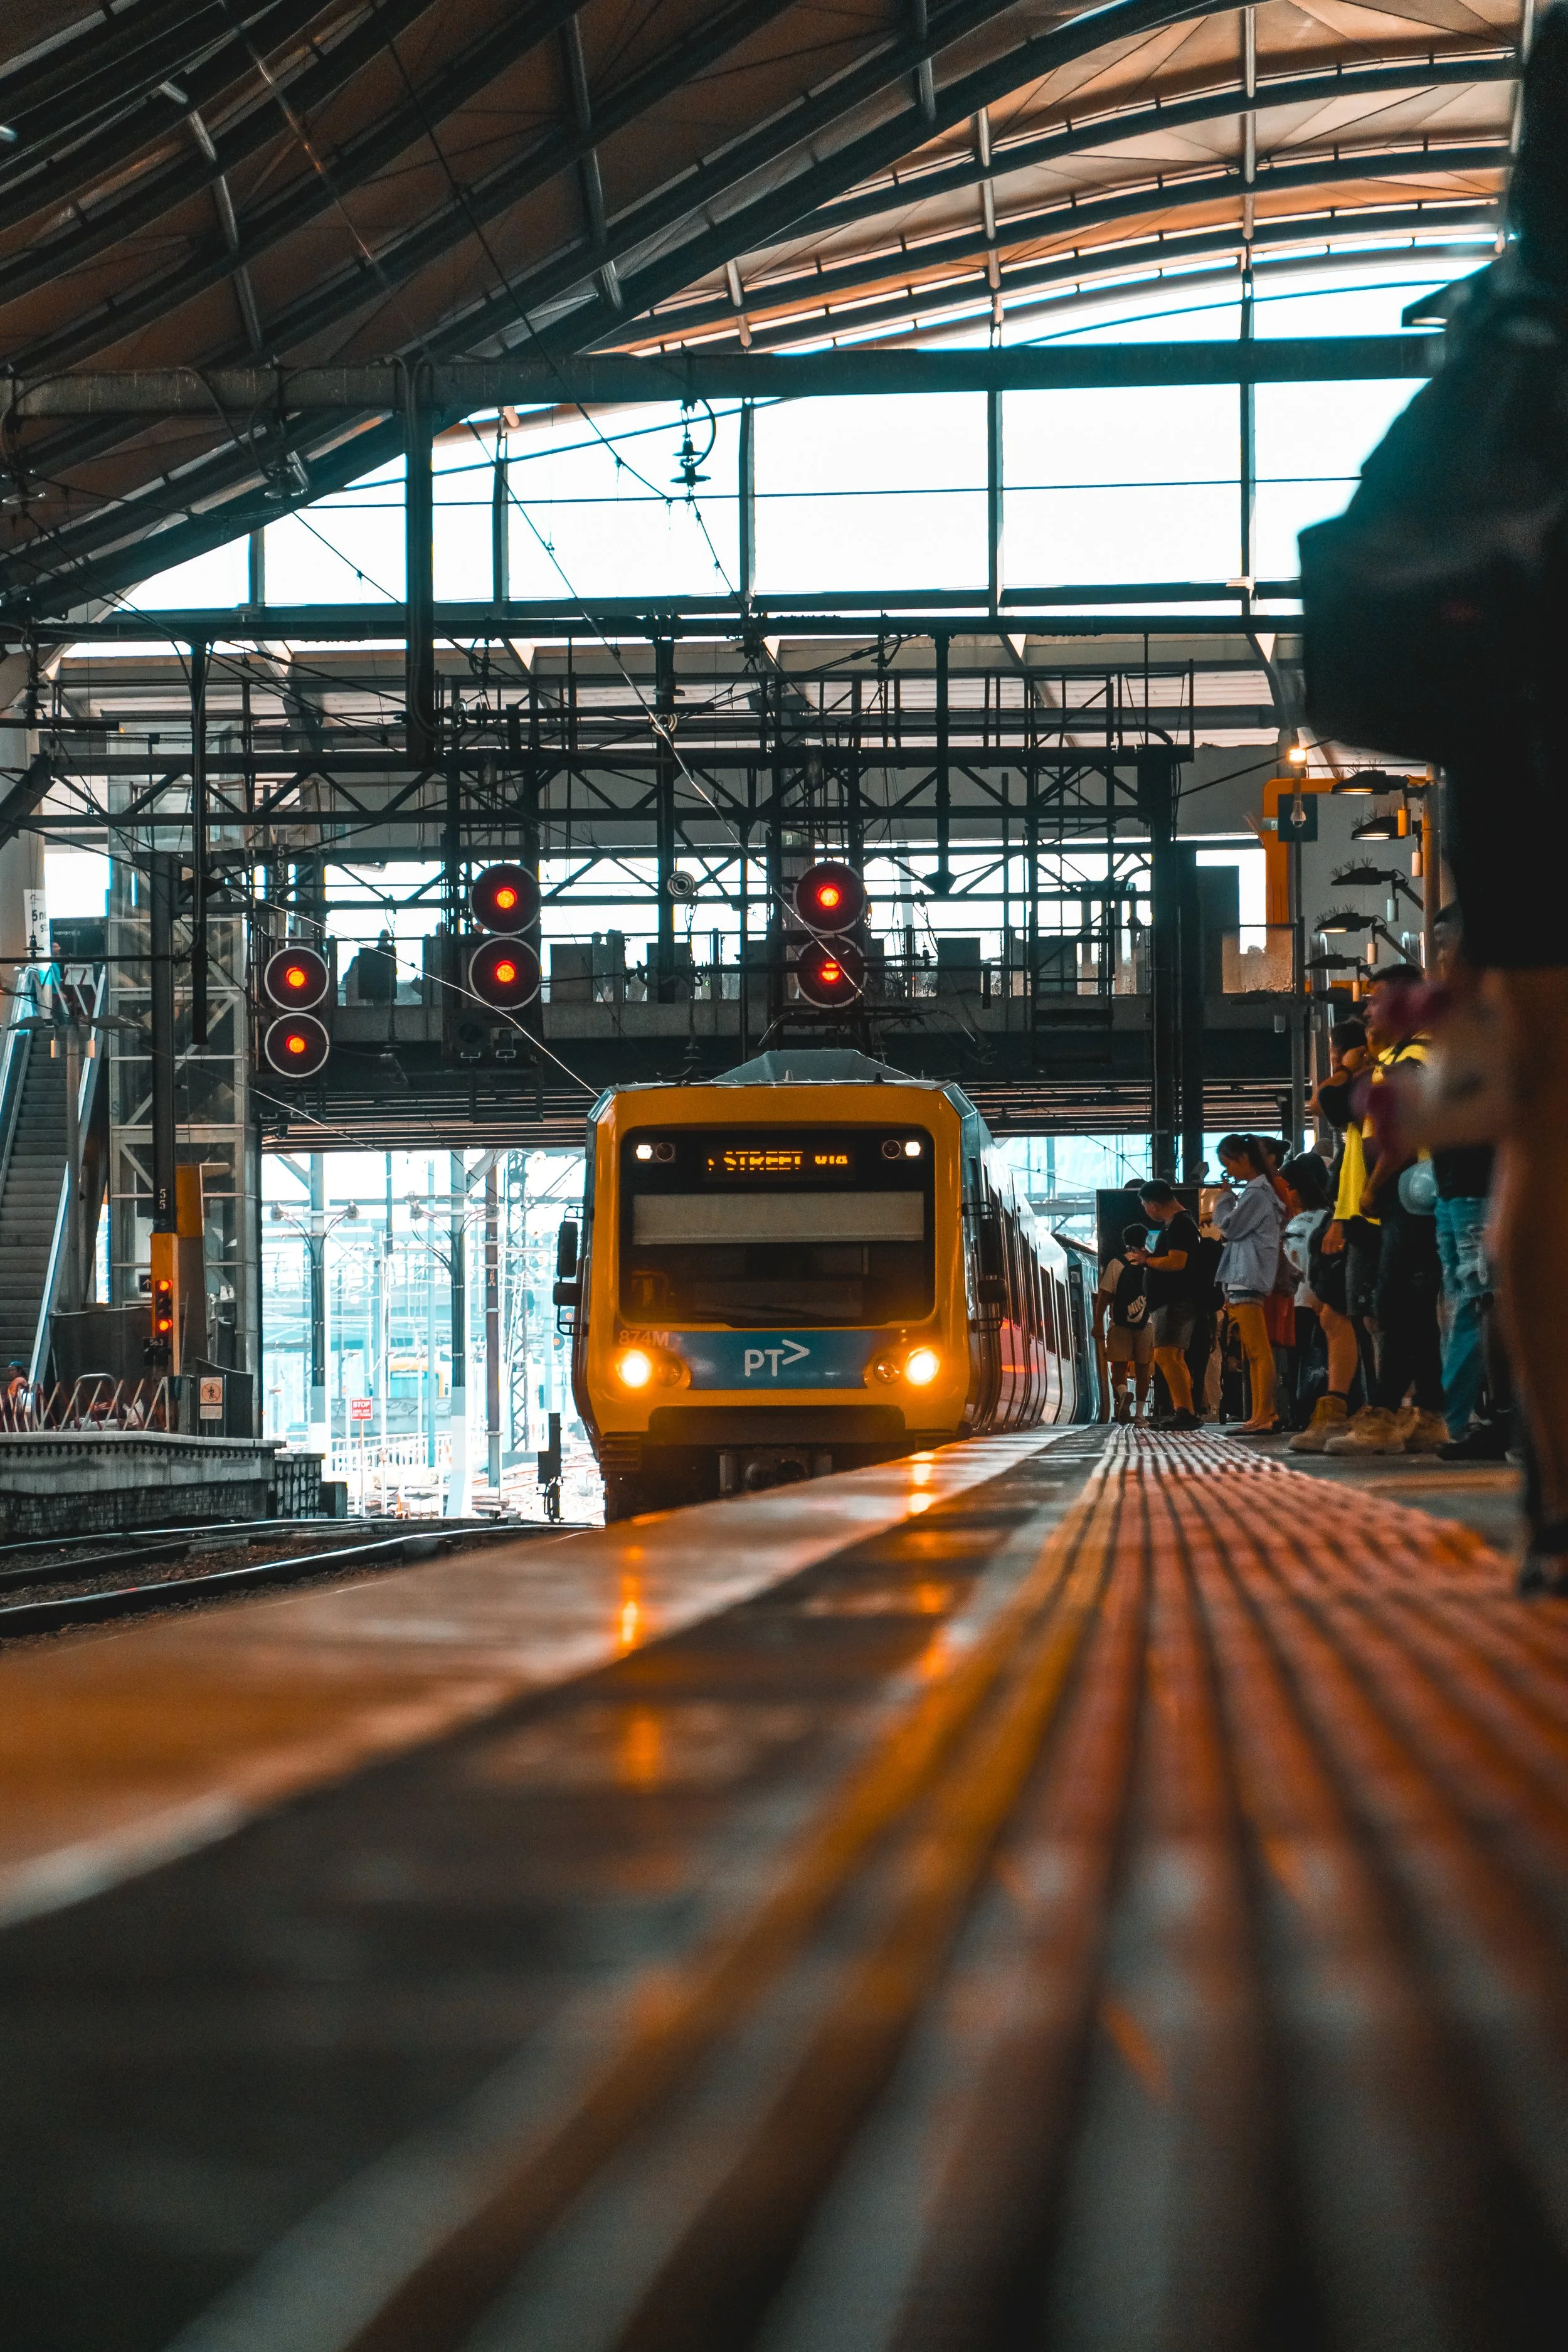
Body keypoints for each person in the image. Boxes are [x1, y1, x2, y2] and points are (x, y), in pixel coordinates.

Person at [1323, 967, 1448, 1456]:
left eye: (1375, 1002)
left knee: (1394, 1306)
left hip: (1407, 1197)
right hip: (1404, 1198)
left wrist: (1373, 1189)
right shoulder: (1395, 1056)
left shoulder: (1415, 1054)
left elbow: (1404, 1130)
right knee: (1411, 1310)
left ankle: (1385, 1415)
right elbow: (1337, 1107)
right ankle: (1429, 1411)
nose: (1368, 1012)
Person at [1428, 905, 1506, 1456]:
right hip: (1456, 1184)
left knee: (1481, 1303)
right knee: (1473, 1301)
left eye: (1446, 951)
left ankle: (1454, 1417)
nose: (1440, 963)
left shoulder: (1498, 1010)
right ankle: (1460, 1416)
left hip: (1478, 1184)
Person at [1210, 1134, 1286, 1432]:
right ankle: (1261, 1414)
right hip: (1249, 1273)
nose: (1229, 1171)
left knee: (1257, 1350)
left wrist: (1224, 1198)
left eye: (1228, 1164)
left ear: (1243, 1159)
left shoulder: (1256, 1194)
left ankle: (1264, 1414)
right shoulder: (1260, 1192)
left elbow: (1230, 1228)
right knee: (1255, 1351)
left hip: (1248, 1273)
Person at [1131, 1180, 1204, 1430]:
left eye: (1144, 1205)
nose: (1145, 1211)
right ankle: (1185, 1410)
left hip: (1175, 1301)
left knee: (1166, 1355)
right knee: (1174, 1356)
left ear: (1153, 1203)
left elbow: (1177, 1262)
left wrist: (1147, 1260)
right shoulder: (1181, 1223)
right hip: (1176, 1300)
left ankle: (1185, 1412)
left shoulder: (1180, 1225)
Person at [1095, 1222, 1154, 1424]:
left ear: (1126, 1242)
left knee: (1118, 1368)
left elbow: (1104, 1297)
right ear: (1145, 1240)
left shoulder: (1117, 1264)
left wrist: (1097, 1326)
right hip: (1147, 1323)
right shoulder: (1152, 1263)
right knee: (1144, 1368)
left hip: (1120, 1323)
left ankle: (1122, 1393)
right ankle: (1139, 1415)